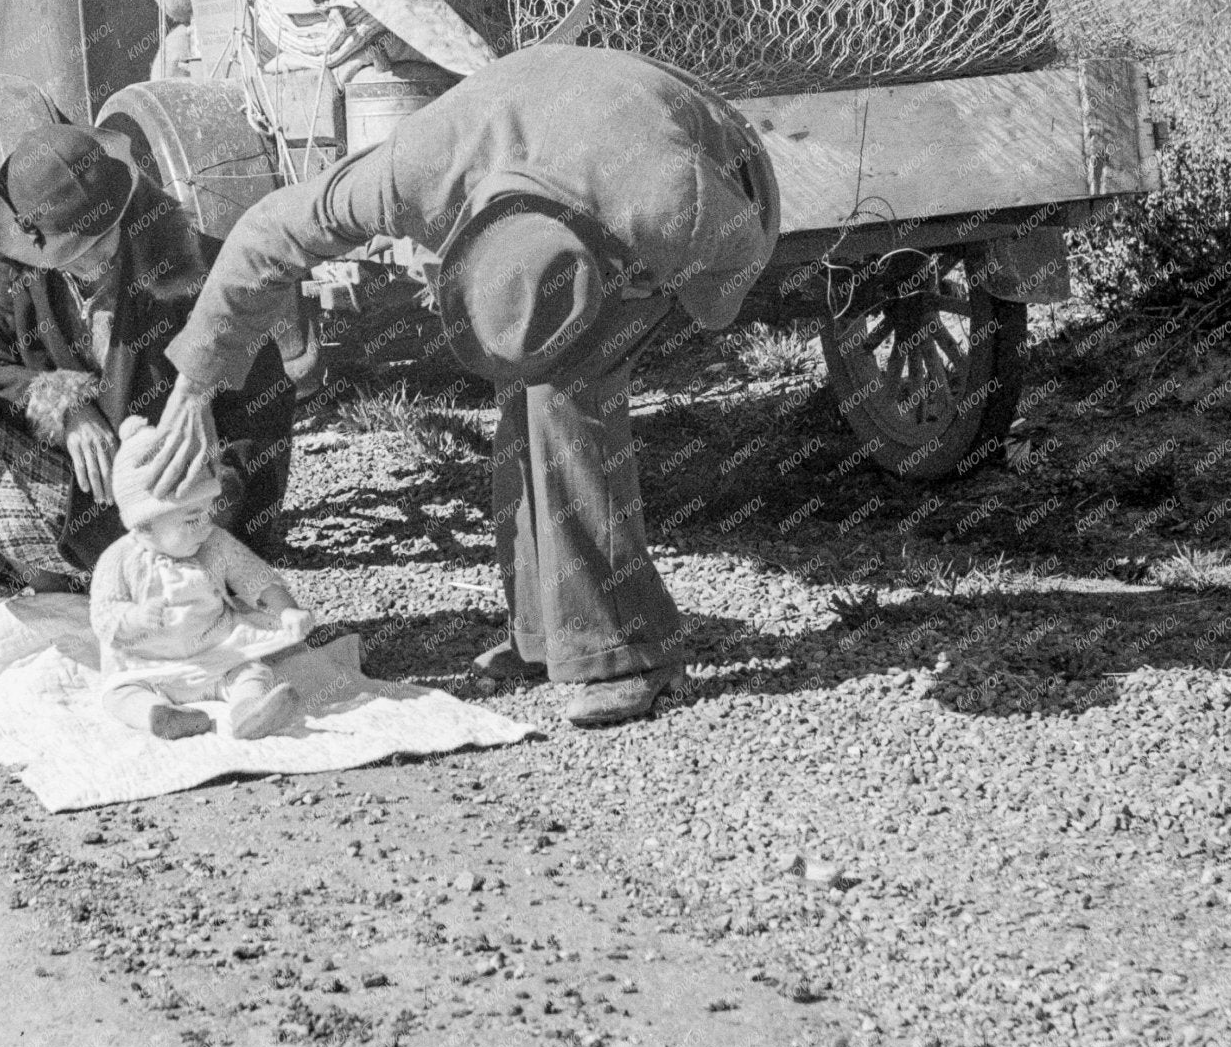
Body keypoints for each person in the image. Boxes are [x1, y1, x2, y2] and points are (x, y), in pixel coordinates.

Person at [138, 47, 781, 728]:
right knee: (528, 388)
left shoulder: (668, 202)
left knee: (568, 399)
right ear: (466, 237)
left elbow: (737, 261)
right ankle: (544, 634)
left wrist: (669, 294)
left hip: (708, 158)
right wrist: (195, 381)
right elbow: (271, 231)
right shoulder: (418, 169)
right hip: (549, 120)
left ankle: (626, 654)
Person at [0, 122, 295, 596]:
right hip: (83, 484)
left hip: (171, 496)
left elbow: (263, 403)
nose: (93, 260)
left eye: (102, 238)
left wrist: (218, 513)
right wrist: (65, 405)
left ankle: (157, 571)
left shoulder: (193, 268)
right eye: (71, 251)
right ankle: (58, 580)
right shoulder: (16, 266)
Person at [90, 415, 310, 741]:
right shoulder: (119, 559)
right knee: (119, 695)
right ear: (145, 524)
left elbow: (253, 575)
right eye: (192, 519)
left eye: (208, 512)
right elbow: (103, 615)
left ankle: (249, 711)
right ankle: (160, 715)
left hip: (214, 654)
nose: (206, 525)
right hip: (147, 665)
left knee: (251, 671)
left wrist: (286, 610)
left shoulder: (213, 543)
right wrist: (134, 618)